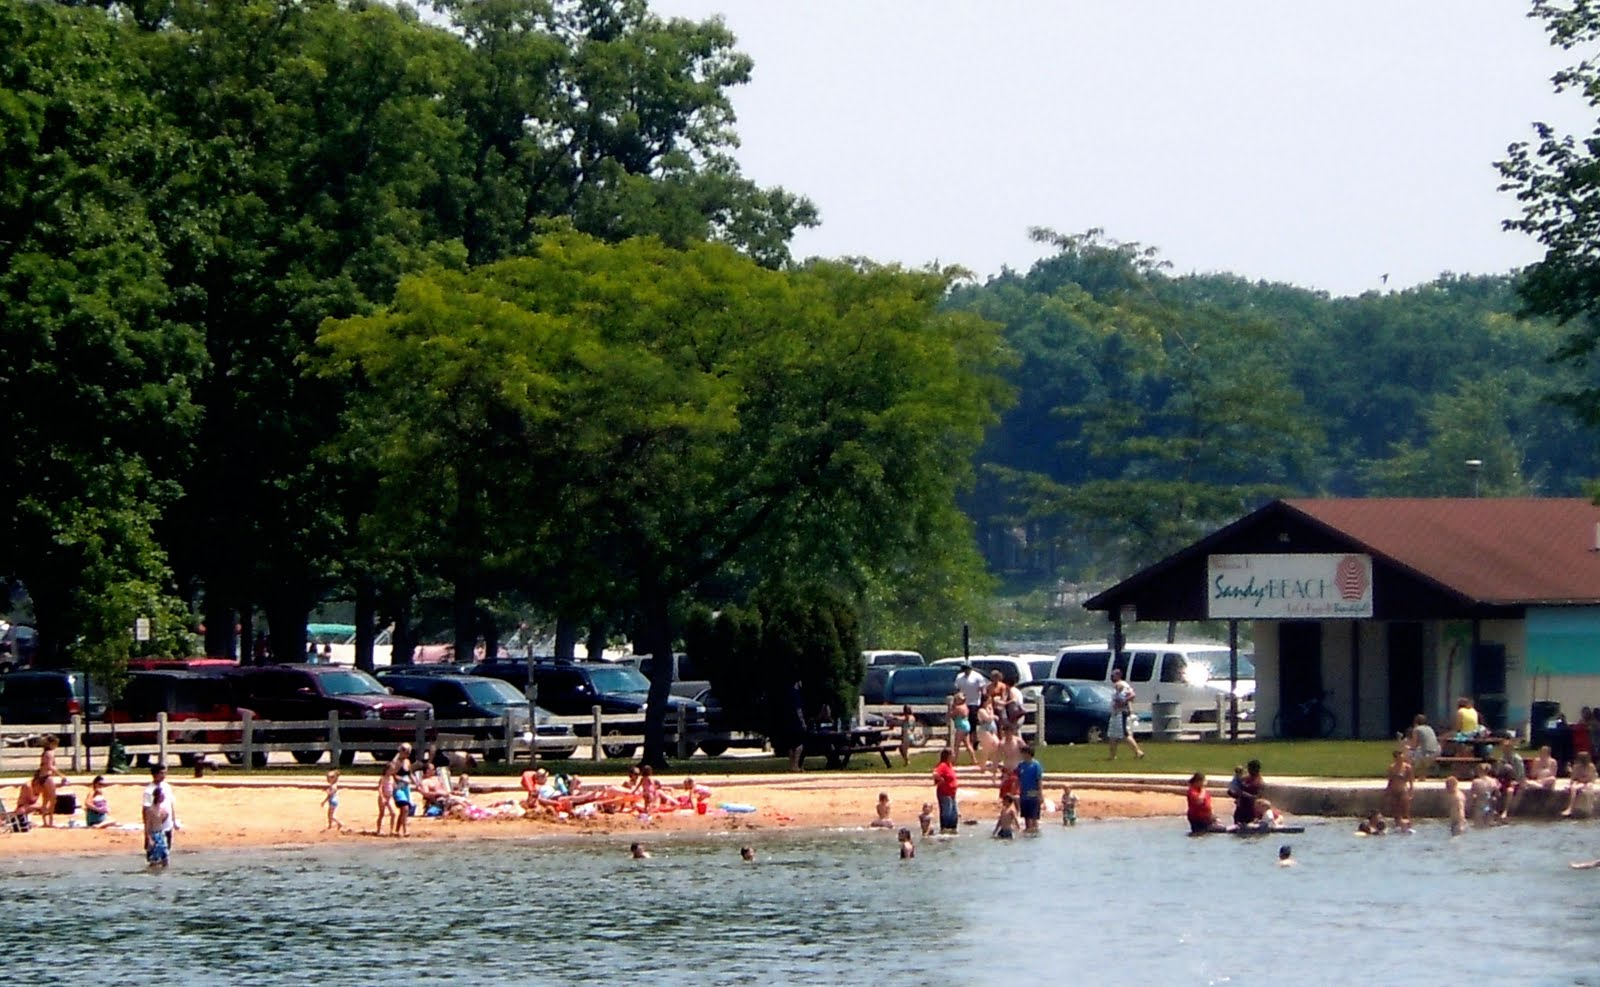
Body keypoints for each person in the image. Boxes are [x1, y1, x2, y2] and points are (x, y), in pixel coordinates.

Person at [1106, 668, 1144, 760]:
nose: (1112, 676)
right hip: (1115, 713)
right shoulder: (1121, 685)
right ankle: (1112, 755)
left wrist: (1122, 703)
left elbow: (1132, 695)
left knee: (1124, 735)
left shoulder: (1121, 685)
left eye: (1113, 675)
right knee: (1112, 735)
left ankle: (1138, 752)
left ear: (1118, 675)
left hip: (1120, 713)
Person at [141, 763, 179, 849]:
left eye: (164, 773)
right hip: (155, 828)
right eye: (161, 773)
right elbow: (146, 811)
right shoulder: (149, 791)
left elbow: (171, 804)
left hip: (167, 825)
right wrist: (147, 833)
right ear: (155, 774)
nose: (163, 775)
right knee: (154, 855)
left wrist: (174, 821)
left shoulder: (166, 786)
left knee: (166, 852)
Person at [1383, 748, 1414, 831]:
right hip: (1394, 791)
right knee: (1395, 810)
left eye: (1402, 757)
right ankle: (1397, 826)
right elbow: (1390, 780)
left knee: (1405, 810)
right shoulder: (1392, 768)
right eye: (1399, 757)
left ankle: (1408, 827)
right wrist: (1387, 791)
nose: (1401, 759)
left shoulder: (1407, 767)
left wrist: (1411, 792)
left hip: (1403, 790)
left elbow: (1411, 781)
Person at [1015, 743, 1044, 834]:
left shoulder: (1036, 765)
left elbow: (1039, 780)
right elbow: (1018, 778)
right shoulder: (1021, 765)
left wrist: (1040, 794)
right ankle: (1028, 832)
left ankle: (1035, 832)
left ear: (1028, 753)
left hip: (1033, 793)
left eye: (1023, 753)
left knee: (1034, 816)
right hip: (1023, 794)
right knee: (1026, 817)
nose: (1022, 755)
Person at [1496, 736, 1526, 821]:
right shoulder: (1502, 759)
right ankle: (1493, 809)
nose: (1505, 750)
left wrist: (1512, 772)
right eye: (1504, 748)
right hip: (1503, 780)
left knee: (1510, 790)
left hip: (1515, 781)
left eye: (1507, 748)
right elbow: (1498, 773)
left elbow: (1520, 775)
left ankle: (1506, 810)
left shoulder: (1517, 759)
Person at [1560, 751, 1597, 817]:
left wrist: (1583, 779)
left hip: (1587, 782)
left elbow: (1592, 779)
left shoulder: (1591, 766)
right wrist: (1577, 780)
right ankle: (1570, 808)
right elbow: (1573, 778)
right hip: (1579, 782)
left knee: (1588, 787)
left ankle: (1587, 810)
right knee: (1574, 788)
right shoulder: (1576, 767)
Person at [35, 734, 61, 827]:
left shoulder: (45, 753)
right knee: (53, 799)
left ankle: (45, 822)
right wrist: (61, 775)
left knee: (45, 799)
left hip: (42, 777)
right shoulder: (50, 753)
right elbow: (50, 766)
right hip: (47, 777)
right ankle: (50, 821)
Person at [143, 785, 171, 869]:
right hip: (154, 835)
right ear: (158, 796)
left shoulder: (163, 809)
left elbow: (164, 818)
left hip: (161, 834)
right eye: (162, 795)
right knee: (154, 859)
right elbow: (147, 825)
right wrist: (149, 839)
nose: (164, 797)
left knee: (165, 857)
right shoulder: (150, 810)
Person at [933, 747, 959, 834]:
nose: (954, 756)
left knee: (953, 813)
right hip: (944, 793)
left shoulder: (949, 765)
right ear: (948, 755)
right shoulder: (943, 765)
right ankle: (944, 829)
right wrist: (940, 780)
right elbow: (935, 773)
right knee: (946, 812)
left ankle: (952, 829)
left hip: (952, 793)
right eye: (953, 754)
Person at [1231, 760, 1263, 827]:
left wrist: (1243, 793)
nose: (1248, 770)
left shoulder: (1258, 781)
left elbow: (1257, 797)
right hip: (1240, 809)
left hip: (1251, 810)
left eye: (1249, 768)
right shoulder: (1246, 778)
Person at [948, 692, 976, 765]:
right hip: (966, 725)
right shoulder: (965, 706)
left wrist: (951, 709)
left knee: (956, 745)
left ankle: (954, 761)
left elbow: (952, 715)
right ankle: (974, 759)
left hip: (961, 726)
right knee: (968, 744)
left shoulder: (958, 708)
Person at [785, 680, 808, 772]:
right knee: (800, 744)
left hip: (788, 722)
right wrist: (803, 722)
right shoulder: (797, 694)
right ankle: (796, 765)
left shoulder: (788, 694)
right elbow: (799, 710)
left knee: (791, 745)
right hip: (796, 722)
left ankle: (791, 765)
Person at [974, 698, 1000, 774]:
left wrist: (991, 712)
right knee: (986, 749)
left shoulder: (989, 710)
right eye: (988, 702)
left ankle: (994, 766)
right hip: (984, 731)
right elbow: (988, 719)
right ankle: (983, 766)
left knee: (997, 745)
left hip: (992, 731)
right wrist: (992, 713)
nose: (989, 704)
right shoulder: (981, 710)